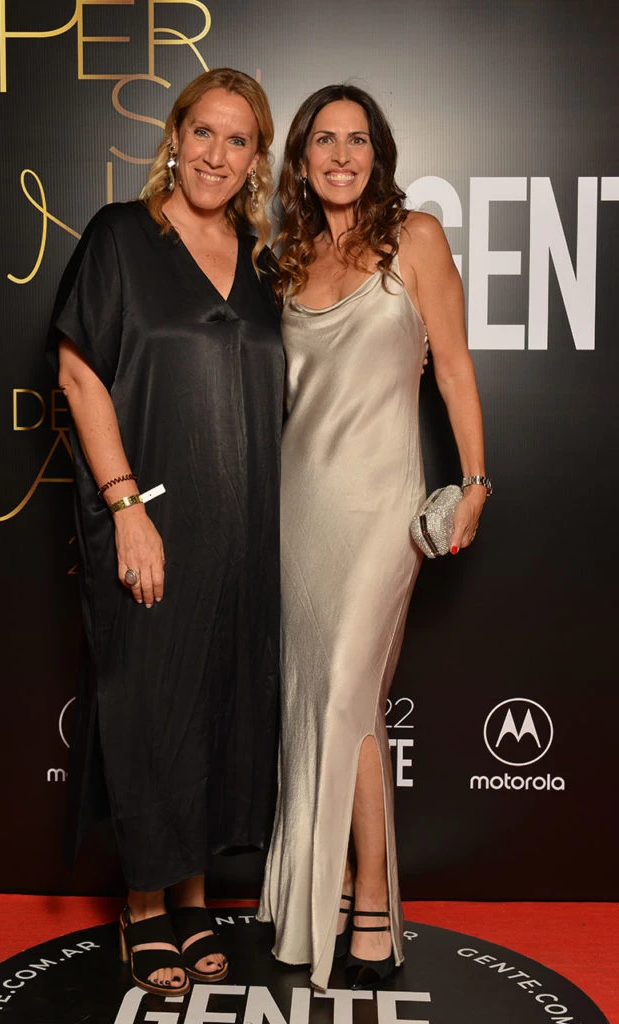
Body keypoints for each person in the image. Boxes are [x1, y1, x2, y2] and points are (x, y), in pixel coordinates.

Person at [48, 68, 283, 996]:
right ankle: (143, 906)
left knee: (216, 703)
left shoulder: (264, 260)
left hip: (246, 530)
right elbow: (78, 373)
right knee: (150, 703)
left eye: (238, 140)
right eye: (204, 132)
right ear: (176, 138)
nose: (217, 155)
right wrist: (126, 507)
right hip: (151, 516)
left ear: (256, 160)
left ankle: (192, 897)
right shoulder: (120, 236)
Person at [257, 84, 490, 991]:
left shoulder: (417, 237)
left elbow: (454, 365)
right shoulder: (288, 257)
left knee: (350, 693)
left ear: (378, 154)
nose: (342, 155)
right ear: (302, 158)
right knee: (320, 700)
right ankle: (325, 894)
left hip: (383, 506)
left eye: (358, 140)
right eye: (325, 140)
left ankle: (371, 900)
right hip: (299, 504)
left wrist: (474, 480)